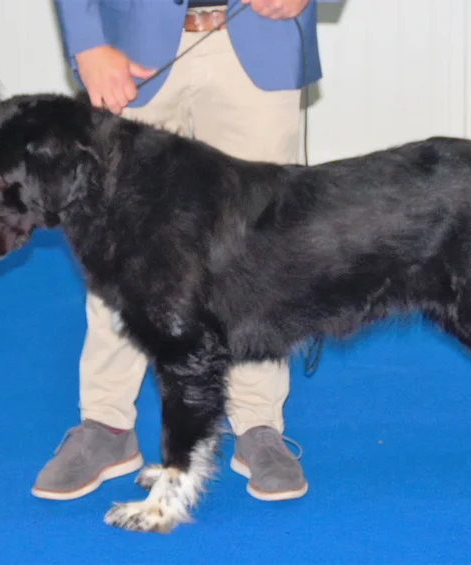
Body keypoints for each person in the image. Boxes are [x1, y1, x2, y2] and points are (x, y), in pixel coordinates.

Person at [34, 0, 337, 504]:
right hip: (127, 46)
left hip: (260, 36)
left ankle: (258, 423)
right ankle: (107, 423)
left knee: (261, 249)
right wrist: (86, 42)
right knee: (120, 247)